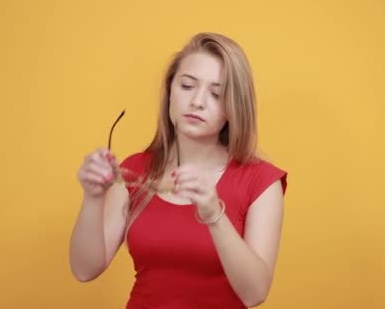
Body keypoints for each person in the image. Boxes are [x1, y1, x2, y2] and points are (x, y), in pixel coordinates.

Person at [70, 32, 288, 308]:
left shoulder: (260, 181)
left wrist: (213, 215)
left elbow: (254, 293)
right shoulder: (136, 169)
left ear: (234, 107)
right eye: (187, 86)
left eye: (216, 94)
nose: (197, 101)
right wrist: (92, 198)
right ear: (170, 91)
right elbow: (85, 269)